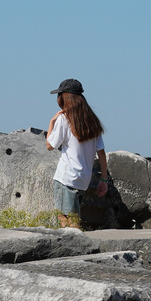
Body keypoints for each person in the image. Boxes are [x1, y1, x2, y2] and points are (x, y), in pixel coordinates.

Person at [45, 79, 109, 225]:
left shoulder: (64, 119)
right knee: (74, 219)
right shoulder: (92, 121)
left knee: (65, 220)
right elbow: (101, 153)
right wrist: (104, 179)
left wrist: (51, 122)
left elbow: (49, 145)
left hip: (66, 178)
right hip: (83, 180)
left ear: (64, 98)